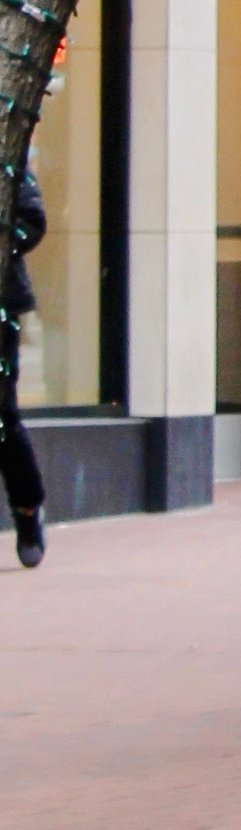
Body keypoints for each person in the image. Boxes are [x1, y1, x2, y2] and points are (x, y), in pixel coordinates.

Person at [1, 166, 46, 566]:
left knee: (2, 416)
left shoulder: (7, 158)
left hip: (1, 306)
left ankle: (27, 510)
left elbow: (33, 221)